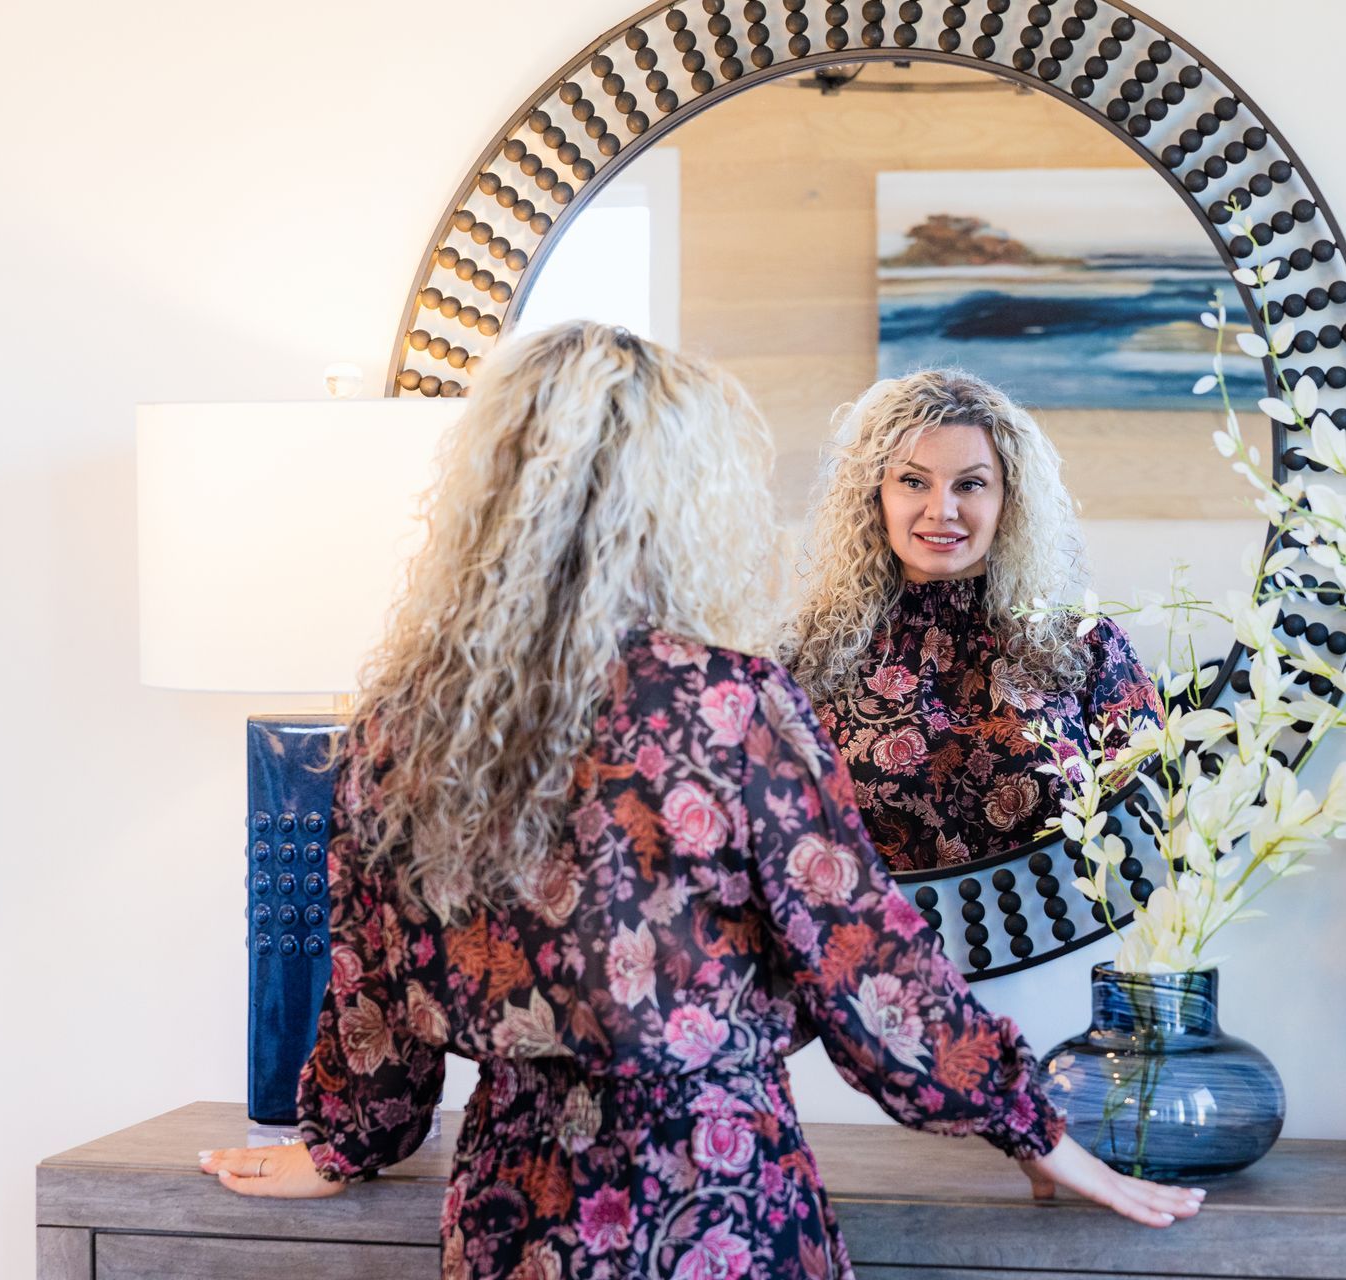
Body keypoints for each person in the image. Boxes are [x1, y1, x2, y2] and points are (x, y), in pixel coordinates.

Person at [198, 324, 1201, 1278]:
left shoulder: (401, 719)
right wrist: (1034, 1128)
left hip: (513, 1204)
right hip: (718, 1194)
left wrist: (343, 1146)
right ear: (674, 497)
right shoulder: (727, 701)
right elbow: (862, 954)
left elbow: (373, 984)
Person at [785, 370, 1164, 872]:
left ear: (1009, 500)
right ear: (874, 495)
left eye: (971, 484)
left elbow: (1150, 833)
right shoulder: (805, 655)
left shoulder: (1087, 645)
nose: (941, 510)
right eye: (913, 481)